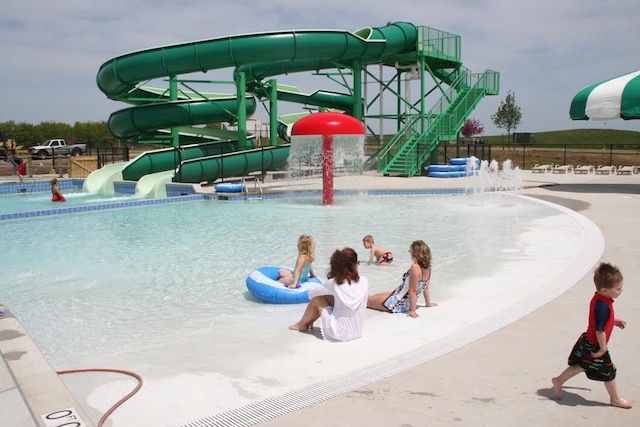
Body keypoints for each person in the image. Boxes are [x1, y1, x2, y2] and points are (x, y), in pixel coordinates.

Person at [552, 262, 633, 408]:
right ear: (604, 289)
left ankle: (558, 380)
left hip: (588, 341)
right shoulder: (603, 307)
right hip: (595, 345)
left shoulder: (600, 299)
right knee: (609, 372)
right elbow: (599, 330)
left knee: (582, 365)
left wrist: (613, 321)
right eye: (618, 289)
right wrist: (602, 349)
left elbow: (599, 321)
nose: (621, 291)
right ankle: (615, 399)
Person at [289, 247, 368, 342]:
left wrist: (328, 296)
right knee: (334, 300)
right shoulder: (364, 281)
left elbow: (311, 294)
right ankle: (307, 323)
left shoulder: (334, 283)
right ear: (355, 264)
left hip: (339, 333)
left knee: (317, 298)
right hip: (357, 331)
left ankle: (302, 324)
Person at [367, 239, 438, 318]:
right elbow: (426, 287)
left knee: (366, 301)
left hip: (397, 302)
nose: (410, 253)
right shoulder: (428, 268)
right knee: (372, 296)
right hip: (399, 296)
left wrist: (412, 311)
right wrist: (428, 304)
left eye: (410, 251)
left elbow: (412, 291)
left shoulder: (415, 268)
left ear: (416, 253)